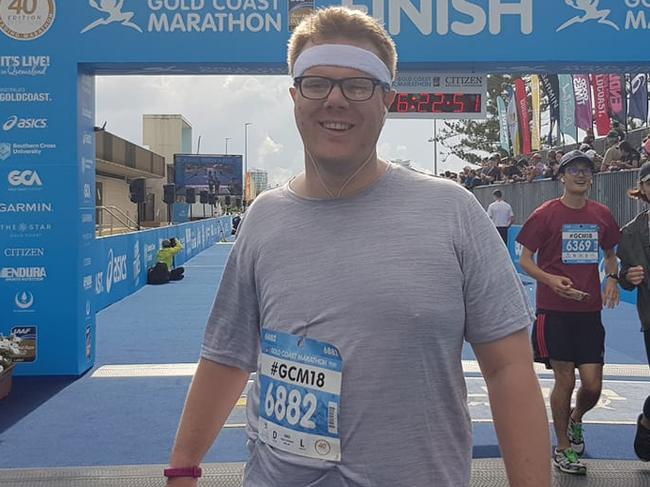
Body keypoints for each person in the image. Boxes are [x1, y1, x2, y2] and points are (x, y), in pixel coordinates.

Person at [165, 7, 550, 487]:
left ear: (386, 98)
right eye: (317, 83)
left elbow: (509, 369)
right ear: (294, 96)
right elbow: (227, 356)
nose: (335, 100)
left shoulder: (453, 212)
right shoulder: (264, 217)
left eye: (358, 85)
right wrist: (182, 467)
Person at [516, 150, 620, 476]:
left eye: (586, 170)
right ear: (562, 176)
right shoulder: (545, 214)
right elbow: (525, 259)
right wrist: (550, 280)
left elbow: (611, 254)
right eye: (574, 170)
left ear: (592, 177)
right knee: (565, 378)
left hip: (589, 312)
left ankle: (576, 419)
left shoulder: (602, 214)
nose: (581, 175)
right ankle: (562, 449)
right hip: (554, 311)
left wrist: (612, 279)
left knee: (592, 386)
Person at [615, 161, 650, 461]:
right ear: (643, 190)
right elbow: (625, 279)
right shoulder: (630, 233)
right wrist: (628, 278)